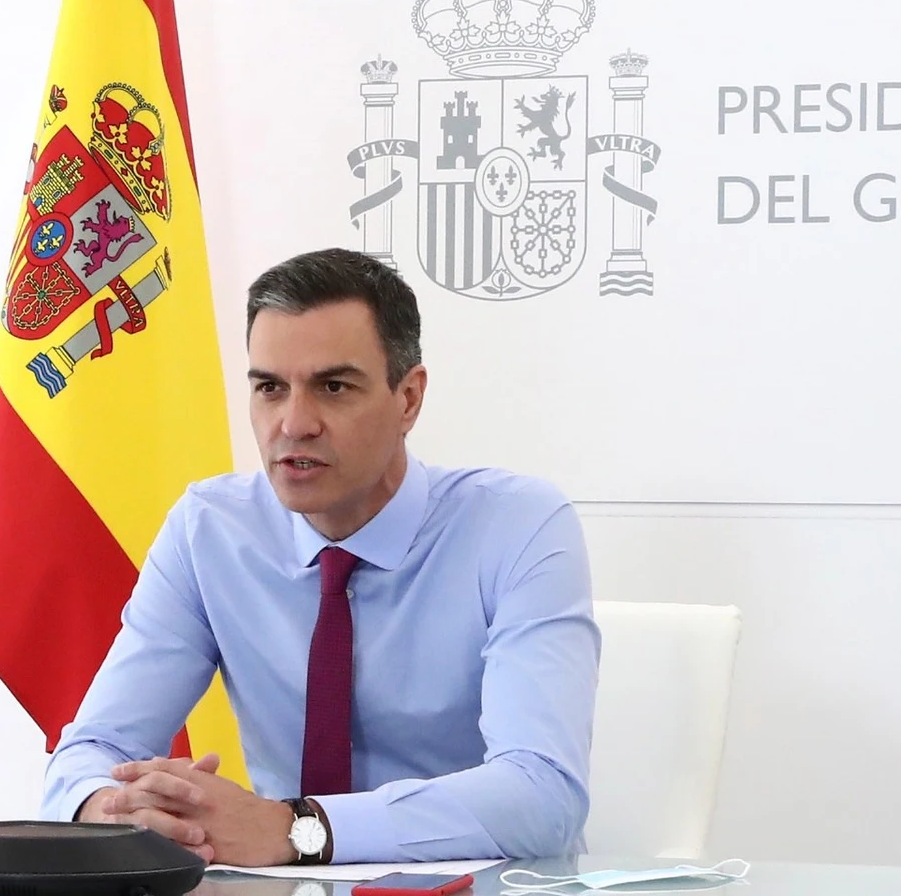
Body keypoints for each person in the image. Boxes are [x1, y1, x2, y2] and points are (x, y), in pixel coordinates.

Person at [40, 248, 599, 866]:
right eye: (270, 388)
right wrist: (112, 808)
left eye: (333, 387)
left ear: (408, 399)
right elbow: (90, 750)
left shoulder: (517, 526)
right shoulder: (210, 530)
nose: (294, 423)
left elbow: (543, 795)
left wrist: (297, 829)